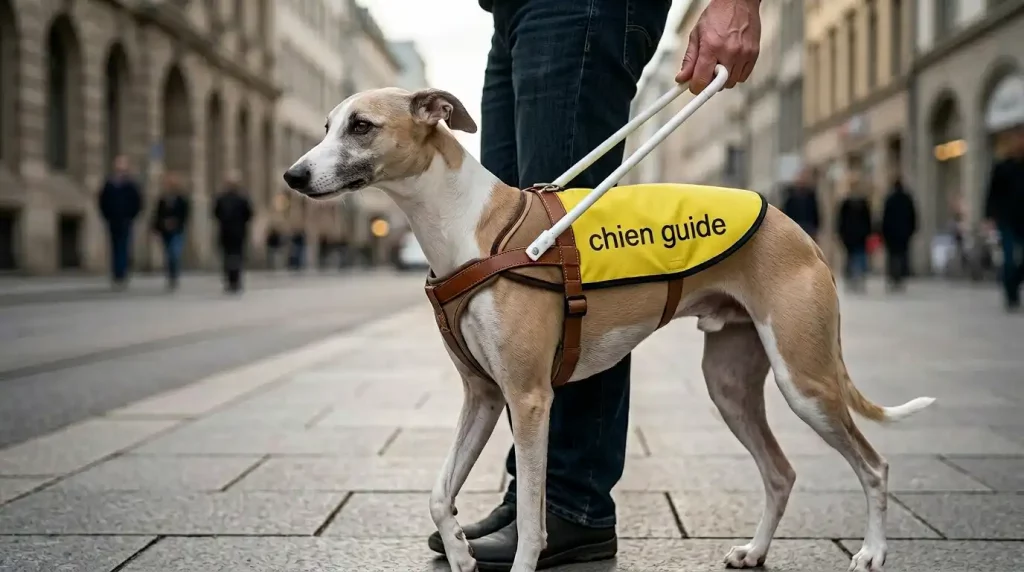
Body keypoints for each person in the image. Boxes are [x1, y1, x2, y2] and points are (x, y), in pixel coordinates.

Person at [424, 0, 763, 568]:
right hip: (510, 14)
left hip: (577, 8)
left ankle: (572, 507)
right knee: (517, 281)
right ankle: (530, 500)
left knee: (565, 270)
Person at [983, 125, 1024, 311]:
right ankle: (1011, 295)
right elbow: (992, 193)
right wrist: (990, 216)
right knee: (1008, 258)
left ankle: (1014, 283)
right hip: (1006, 219)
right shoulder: (1002, 167)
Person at [98, 155, 142, 289]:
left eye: (122, 165)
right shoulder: (110, 183)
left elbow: (137, 202)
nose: (120, 168)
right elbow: (102, 201)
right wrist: (107, 215)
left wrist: (131, 215)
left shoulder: (130, 184)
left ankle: (122, 273)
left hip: (125, 220)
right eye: (118, 165)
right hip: (113, 220)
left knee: (123, 246)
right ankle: (116, 273)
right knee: (114, 247)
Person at [212, 172, 253, 293]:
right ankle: (233, 280)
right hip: (235, 231)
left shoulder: (236, 198)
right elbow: (249, 214)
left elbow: (216, 213)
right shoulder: (237, 198)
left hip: (229, 231)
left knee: (230, 256)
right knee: (234, 256)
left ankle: (232, 280)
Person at [151, 171, 191, 290]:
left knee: (175, 252)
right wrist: (160, 225)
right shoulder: (163, 199)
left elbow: (185, 214)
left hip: (177, 230)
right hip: (165, 230)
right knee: (168, 253)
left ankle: (174, 274)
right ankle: (170, 274)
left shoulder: (182, 199)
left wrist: (177, 223)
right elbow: (157, 214)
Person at [880, 176, 917, 291]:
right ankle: (900, 276)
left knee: (893, 256)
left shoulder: (890, 199)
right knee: (902, 255)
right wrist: (911, 230)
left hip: (892, 234)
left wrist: (884, 232)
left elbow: (885, 218)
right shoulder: (907, 199)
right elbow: (913, 216)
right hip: (904, 233)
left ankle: (893, 276)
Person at [836, 180, 874, 292]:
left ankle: (859, 277)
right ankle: (852, 278)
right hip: (850, 236)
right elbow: (841, 221)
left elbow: (868, 220)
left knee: (860, 257)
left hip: (859, 235)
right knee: (851, 257)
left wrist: (868, 232)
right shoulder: (846, 204)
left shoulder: (862, 203)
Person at [781, 167, 821, 240]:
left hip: (809, 228)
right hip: (795, 227)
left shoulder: (810, 195)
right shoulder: (791, 196)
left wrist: (815, 229)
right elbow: (787, 212)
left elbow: (815, 213)